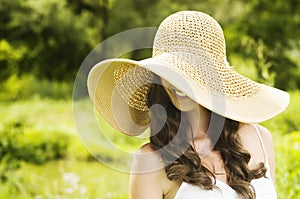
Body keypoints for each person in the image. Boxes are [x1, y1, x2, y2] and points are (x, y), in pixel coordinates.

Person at [87, 11, 290, 199]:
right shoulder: (151, 161)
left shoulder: (260, 138)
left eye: (190, 73)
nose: (177, 83)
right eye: (170, 73)